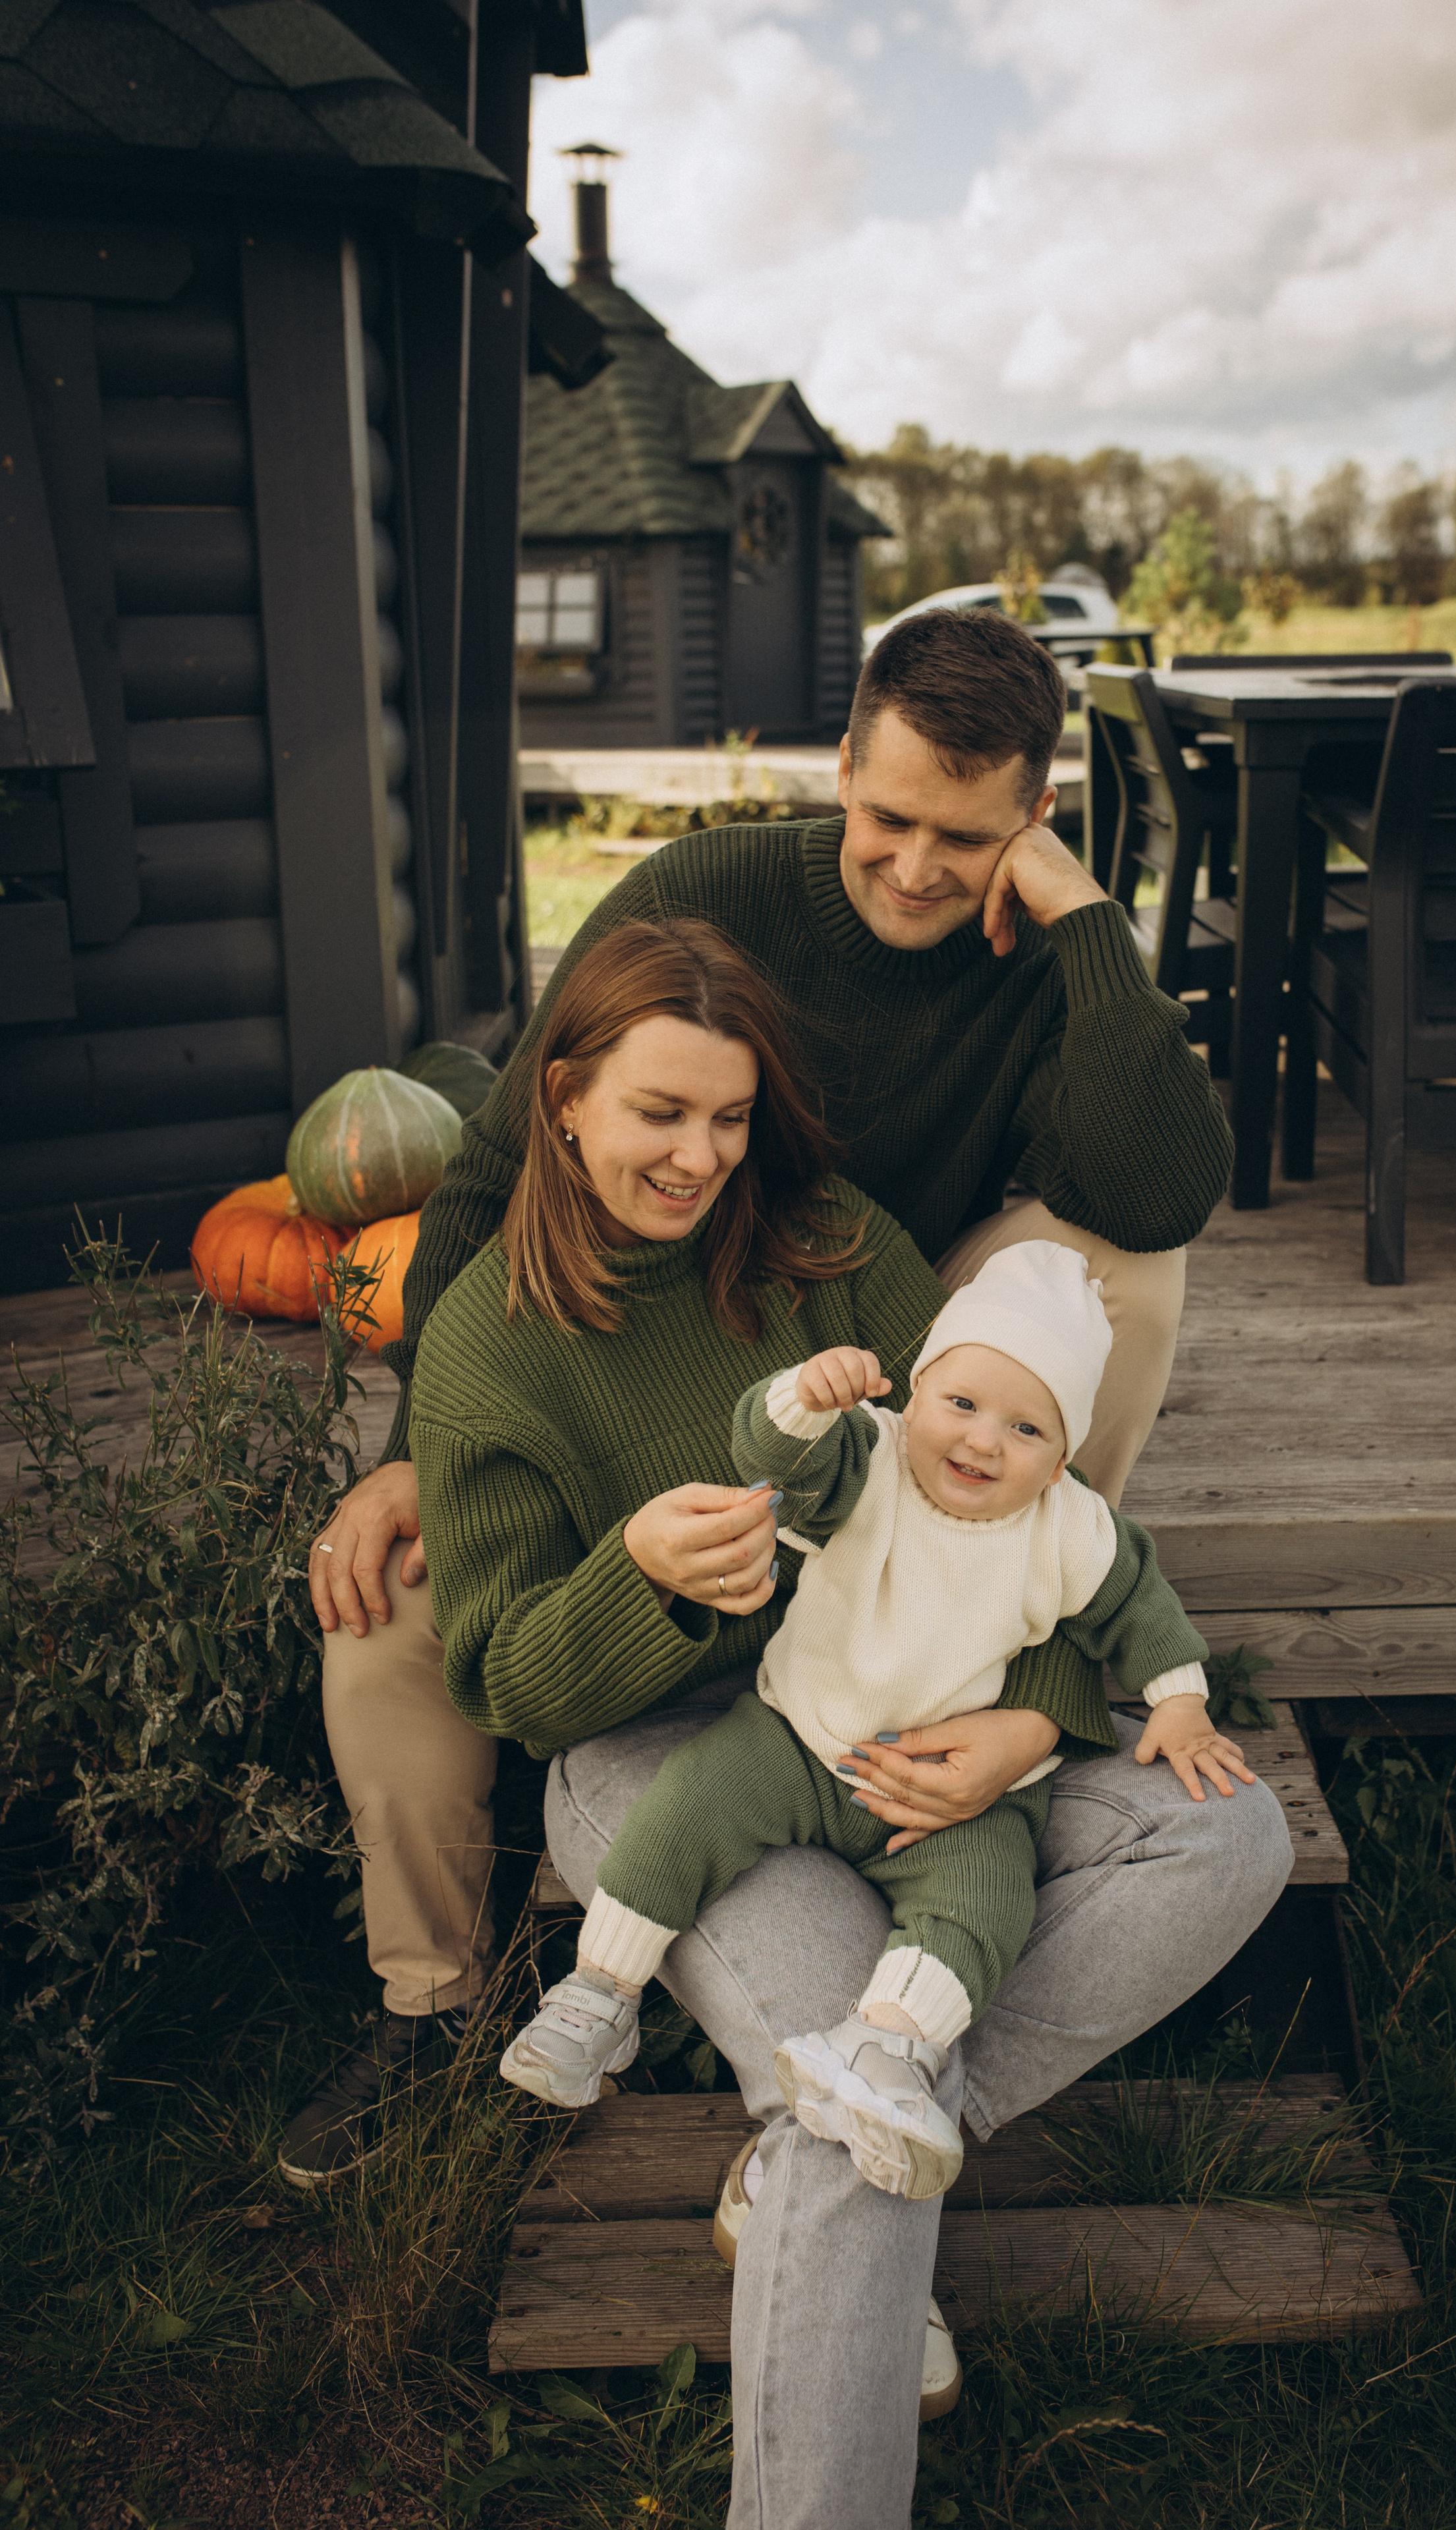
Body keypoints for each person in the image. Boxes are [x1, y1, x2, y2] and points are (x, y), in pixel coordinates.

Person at [289, 605, 1237, 2190]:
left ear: (1034, 819)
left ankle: (1020, 1582)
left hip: (858, 1295)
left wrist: (1082, 926)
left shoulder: (1019, 956)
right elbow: (494, 1172)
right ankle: (432, 2006)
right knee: (388, 1621)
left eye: (968, 835)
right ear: (839, 767)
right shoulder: (698, 904)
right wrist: (415, 1448)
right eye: (886, 820)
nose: (920, 869)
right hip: (631, 1326)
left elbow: (1159, 1185)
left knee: (1128, 1269)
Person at [400, 914, 1288, 2523]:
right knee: (852, 2098)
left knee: (1228, 1833)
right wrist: (645, 1582)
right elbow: (508, 1687)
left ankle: (851, 2114)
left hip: (927, 1717)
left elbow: (1003, 1500)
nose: (699, 1158)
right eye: (660, 1116)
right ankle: (862, 2149)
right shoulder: (485, 1354)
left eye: (728, 1118)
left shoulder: (814, 1233)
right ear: (565, 1099)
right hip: (671, 1758)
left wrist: (1030, 1721)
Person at [501, 1242, 1239, 2216]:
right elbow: (777, 1460)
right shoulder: (875, 1457)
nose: (981, 1442)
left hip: (953, 1791)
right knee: (685, 1808)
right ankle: (601, 1994)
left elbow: (1138, 1605)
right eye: (962, 1405)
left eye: (1026, 1428)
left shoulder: (1070, 1528)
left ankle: (886, 2048)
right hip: (798, 1740)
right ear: (919, 1391)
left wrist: (1179, 1696)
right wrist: (807, 1397)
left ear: (1062, 1459)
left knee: (983, 1901)